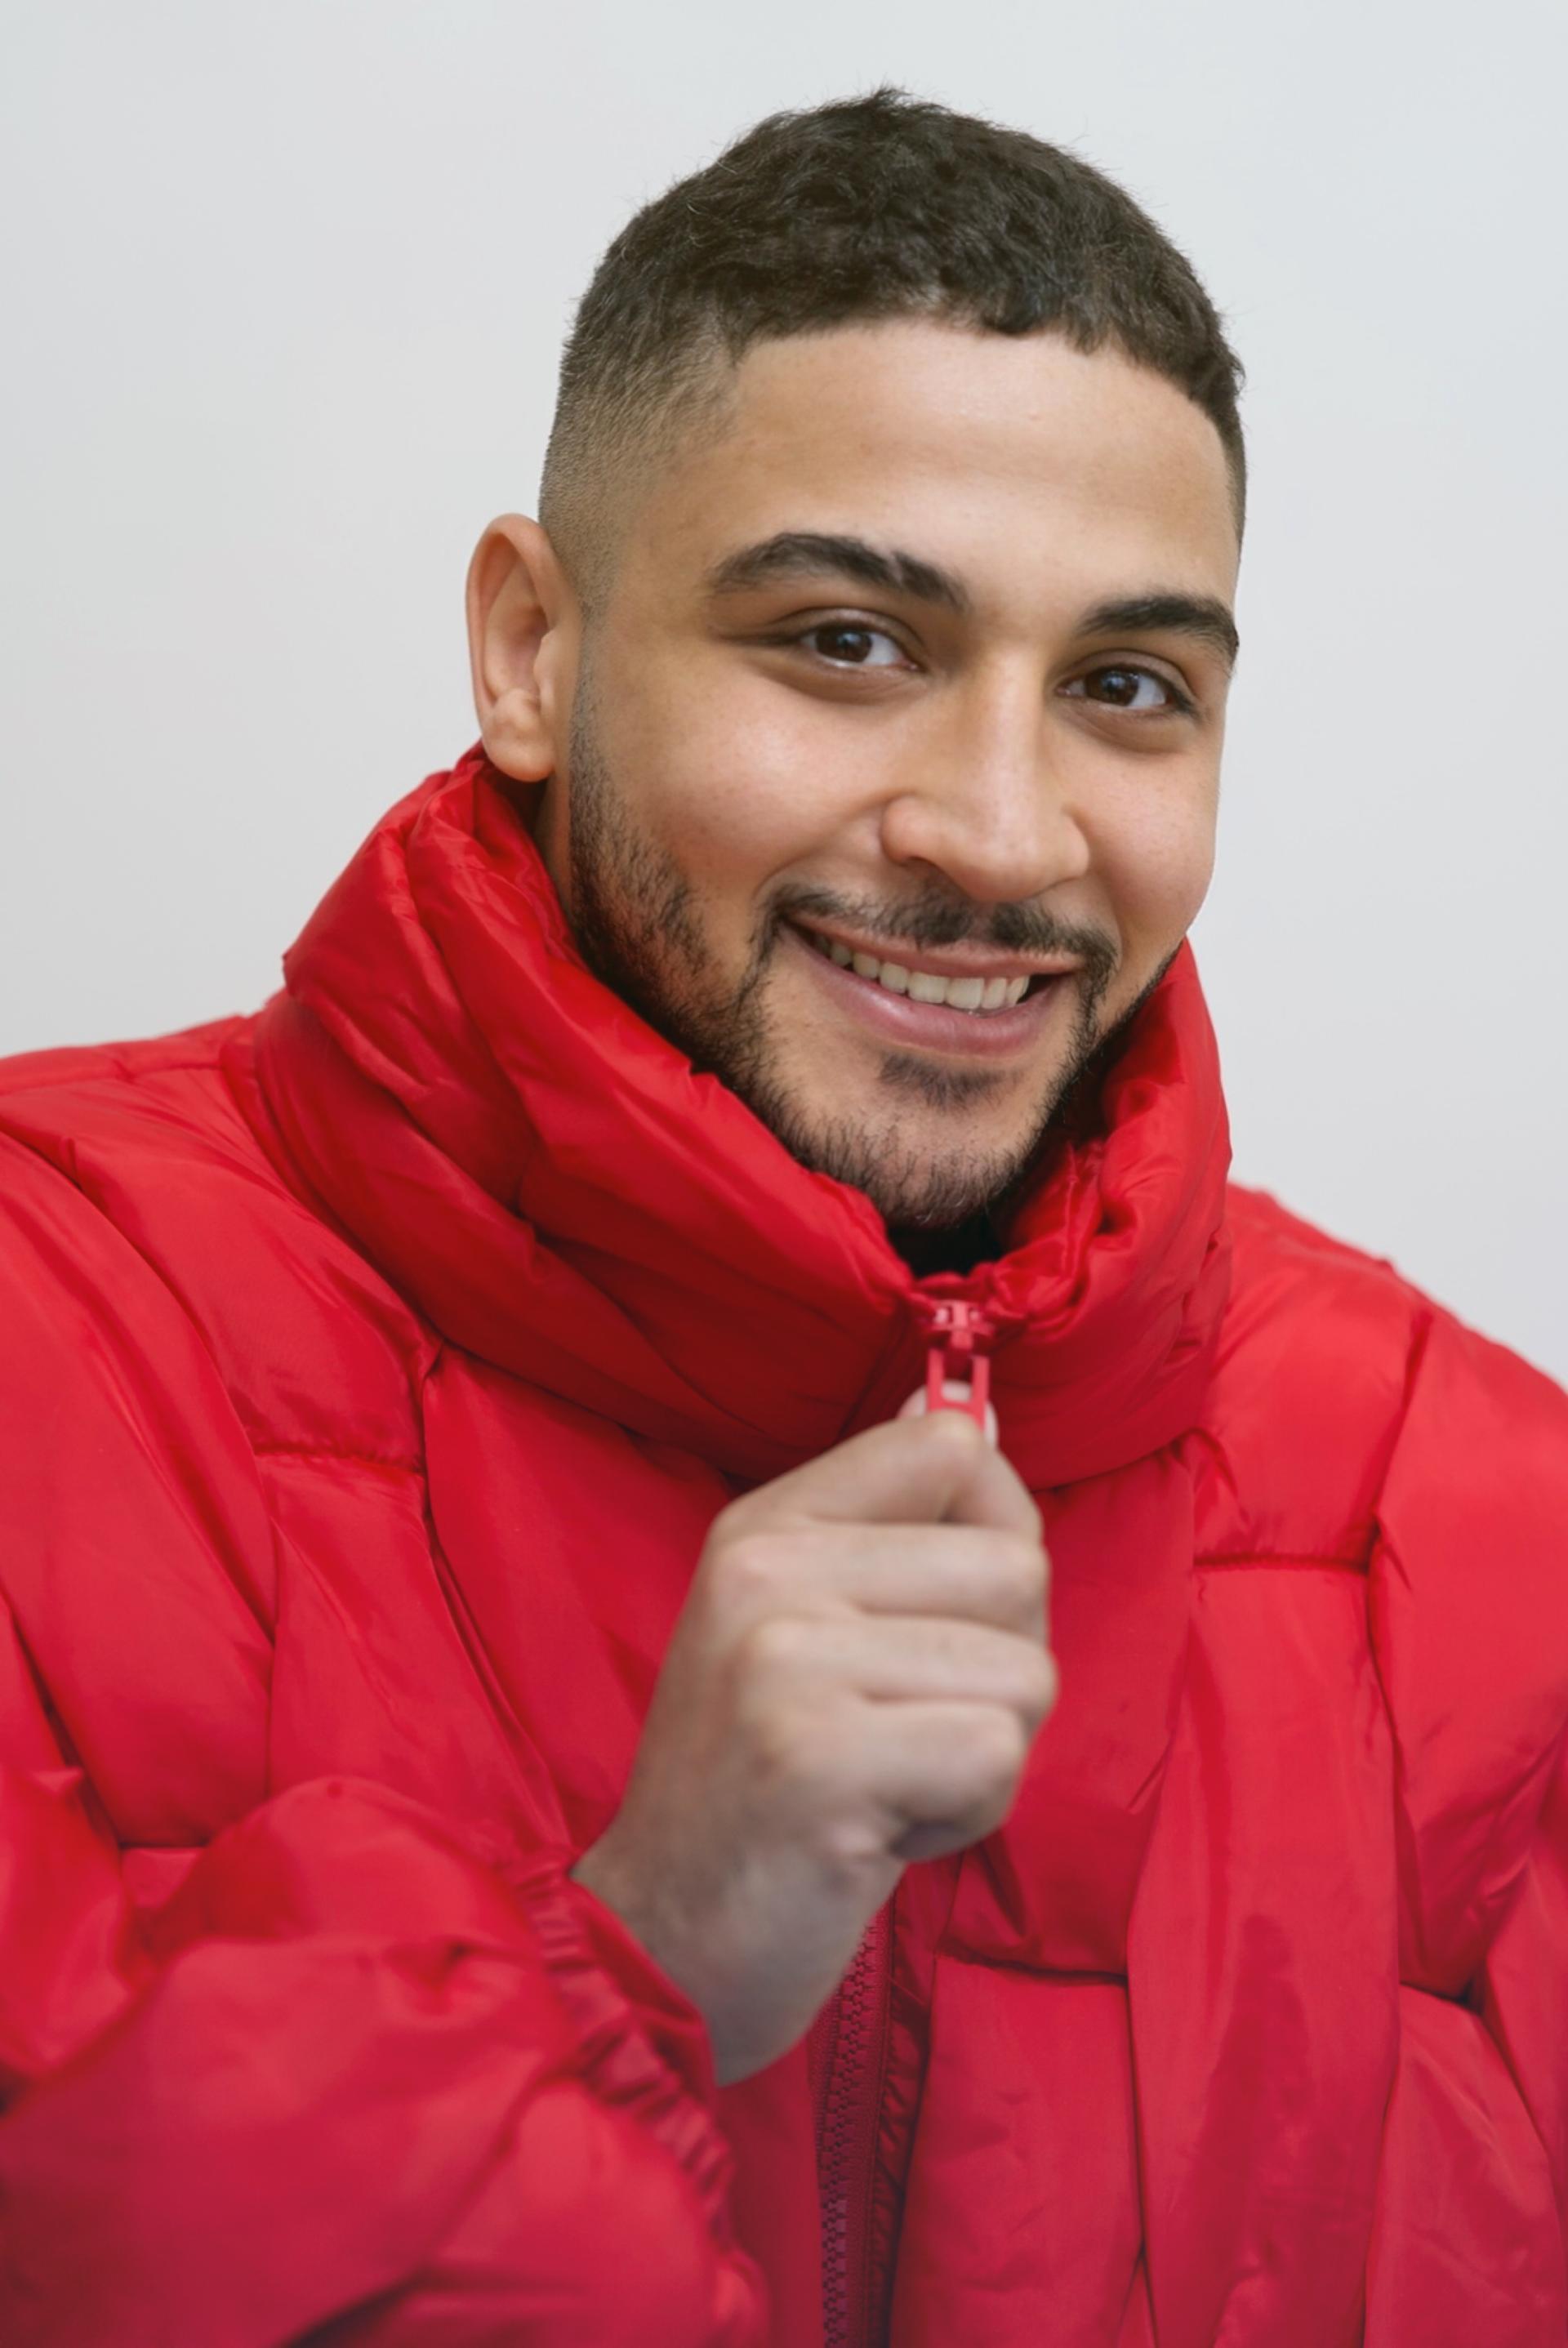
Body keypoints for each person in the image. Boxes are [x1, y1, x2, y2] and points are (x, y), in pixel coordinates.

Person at [0, 82, 1563, 2348]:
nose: (1003, 832)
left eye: (1127, 689)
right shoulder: (41, 1324)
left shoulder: (1495, 1530)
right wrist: (633, 1948)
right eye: (848, 642)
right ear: (531, 652)